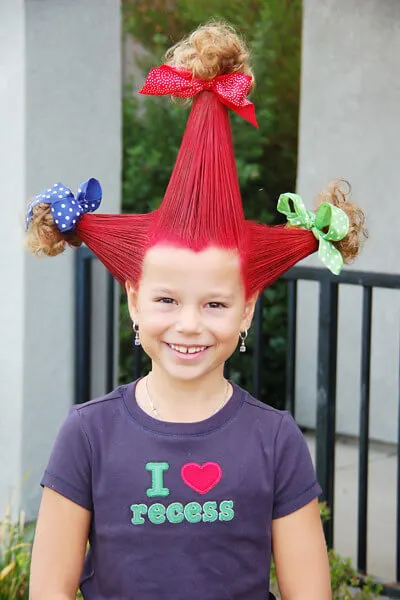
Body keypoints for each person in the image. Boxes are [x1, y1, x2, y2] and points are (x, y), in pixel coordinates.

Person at [27, 21, 366, 600]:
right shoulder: (88, 435)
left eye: (215, 303)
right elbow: (50, 588)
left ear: (247, 308)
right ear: (133, 298)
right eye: (165, 299)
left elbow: (310, 592)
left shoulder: (275, 440)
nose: (188, 324)